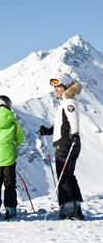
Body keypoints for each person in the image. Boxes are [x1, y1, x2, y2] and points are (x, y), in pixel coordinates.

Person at [39, 73, 83, 220]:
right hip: (68, 142)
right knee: (69, 176)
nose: (55, 89)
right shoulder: (66, 102)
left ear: (65, 86)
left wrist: (75, 134)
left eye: (58, 86)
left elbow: (72, 119)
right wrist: (48, 131)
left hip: (66, 143)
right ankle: (75, 208)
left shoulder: (69, 101)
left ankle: (68, 210)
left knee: (63, 177)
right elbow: (62, 124)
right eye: (54, 87)